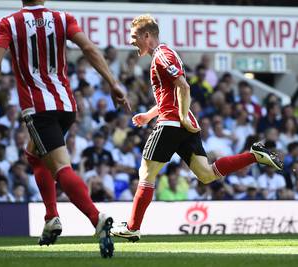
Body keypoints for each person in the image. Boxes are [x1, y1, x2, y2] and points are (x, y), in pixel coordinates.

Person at [111, 14, 283, 242]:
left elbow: (183, 85)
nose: (132, 42)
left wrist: (181, 115)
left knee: (146, 172)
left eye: (134, 37)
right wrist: (149, 114)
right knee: (206, 174)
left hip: (172, 123)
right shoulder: (162, 55)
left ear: (147, 36)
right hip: (181, 123)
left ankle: (132, 227)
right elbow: (171, 94)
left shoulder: (162, 54)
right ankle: (254, 156)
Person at [0, 0, 130, 257]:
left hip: (39, 110)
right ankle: (51, 217)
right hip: (66, 106)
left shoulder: (10, 23)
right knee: (34, 155)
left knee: (60, 167)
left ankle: (97, 219)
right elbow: (88, 48)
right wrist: (113, 83)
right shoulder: (63, 18)